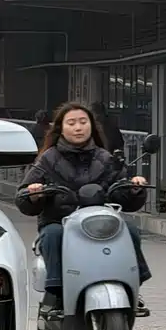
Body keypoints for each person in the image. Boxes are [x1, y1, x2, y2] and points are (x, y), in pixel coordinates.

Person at [15, 101, 152, 317]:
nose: (78, 127)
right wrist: (34, 194)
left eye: (82, 122)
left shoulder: (106, 158)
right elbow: (23, 198)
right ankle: (55, 292)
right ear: (61, 128)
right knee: (51, 235)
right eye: (71, 123)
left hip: (101, 222)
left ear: (91, 126)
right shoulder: (47, 160)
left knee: (129, 228)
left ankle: (134, 281)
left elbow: (123, 196)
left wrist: (135, 189)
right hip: (60, 221)